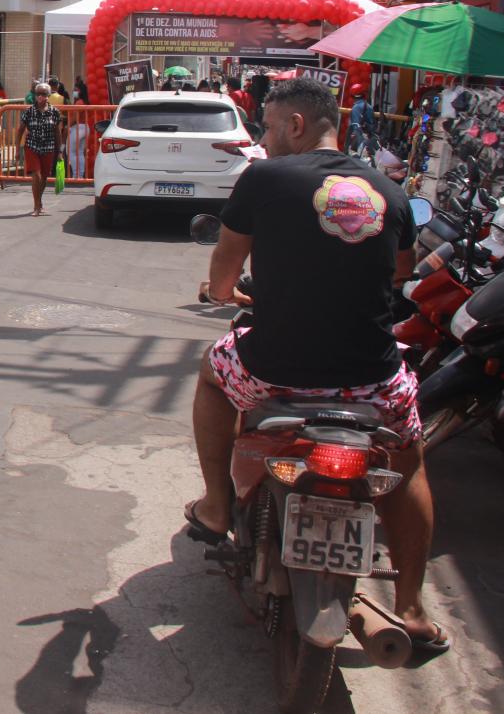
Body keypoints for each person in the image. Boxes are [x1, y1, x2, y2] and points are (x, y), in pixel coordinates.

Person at [185, 78, 446, 657]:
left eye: (268, 127)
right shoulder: (390, 191)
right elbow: (401, 271)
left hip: (275, 370)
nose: (263, 139)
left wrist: (225, 292)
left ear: (296, 125)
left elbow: (224, 274)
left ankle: (216, 505)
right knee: (408, 462)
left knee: (211, 373)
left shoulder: (265, 179)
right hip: (373, 381)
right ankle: (411, 607)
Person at [16, 83, 62, 217]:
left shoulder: (54, 112)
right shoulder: (29, 111)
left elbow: (57, 133)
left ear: (49, 95)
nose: (40, 97)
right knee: (36, 175)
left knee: (44, 177)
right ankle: (36, 206)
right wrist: (17, 150)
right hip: (32, 146)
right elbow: (20, 130)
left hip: (48, 147)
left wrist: (59, 151)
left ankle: (39, 201)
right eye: (38, 94)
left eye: (43, 94)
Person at [348, 83, 374, 155]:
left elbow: (355, 126)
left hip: (359, 140)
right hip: (368, 138)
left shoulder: (356, 108)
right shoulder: (369, 107)